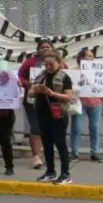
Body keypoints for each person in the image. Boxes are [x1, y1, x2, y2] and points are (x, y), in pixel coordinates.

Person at [28, 51, 74, 185]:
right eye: (46, 64)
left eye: (51, 64)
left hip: (58, 114)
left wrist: (52, 93)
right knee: (47, 144)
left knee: (60, 144)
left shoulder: (64, 77)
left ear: (59, 63)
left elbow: (69, 97)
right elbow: (30, 94)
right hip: (42, 114)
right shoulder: (41, 76)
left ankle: (65, 174)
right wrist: (36, 90)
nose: (48, 67)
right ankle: (50, 172)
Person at [18, 40, 55, 170]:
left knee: (48, 128)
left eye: (48, 47)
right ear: (38, 49)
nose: (45, 49)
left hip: (51, 101)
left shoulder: (58, 62)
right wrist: (26, 83)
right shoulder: (29, 63)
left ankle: (46, 154)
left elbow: (66, 74)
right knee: (35, 128)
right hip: (32, 100)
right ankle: (36, 157)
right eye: (42, 47)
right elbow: (20, 75)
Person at [70, 47, 103, 163]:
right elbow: (69, 86)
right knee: (77, 128)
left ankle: (95, 153)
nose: (91, 58)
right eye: (88, 56)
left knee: (95, 127)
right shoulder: (73, 70)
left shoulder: (98, 70)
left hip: (96, 102)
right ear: (81, 58)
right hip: (79, 102)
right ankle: (74, 152)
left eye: (92, 56)